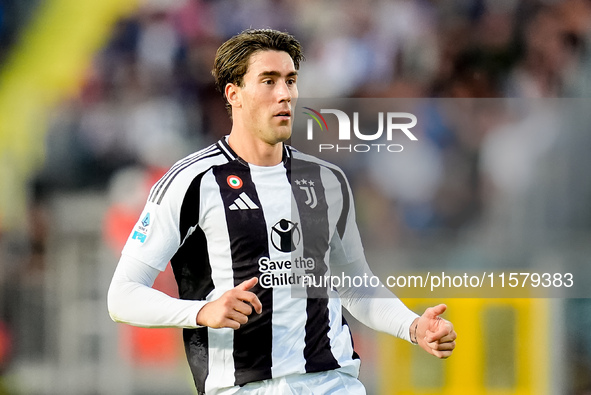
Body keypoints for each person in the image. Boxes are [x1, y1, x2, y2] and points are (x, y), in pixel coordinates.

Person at [107, 28, 456, 395]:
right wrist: (199, 312)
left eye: (290, 81)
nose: (285, 94)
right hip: (243, 388)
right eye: (269, 81)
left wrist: (413, 327)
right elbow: (123, 295)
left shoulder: (327, 180)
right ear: (234, 94)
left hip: (332, 383)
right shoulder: (191, 182)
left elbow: (356, 285)